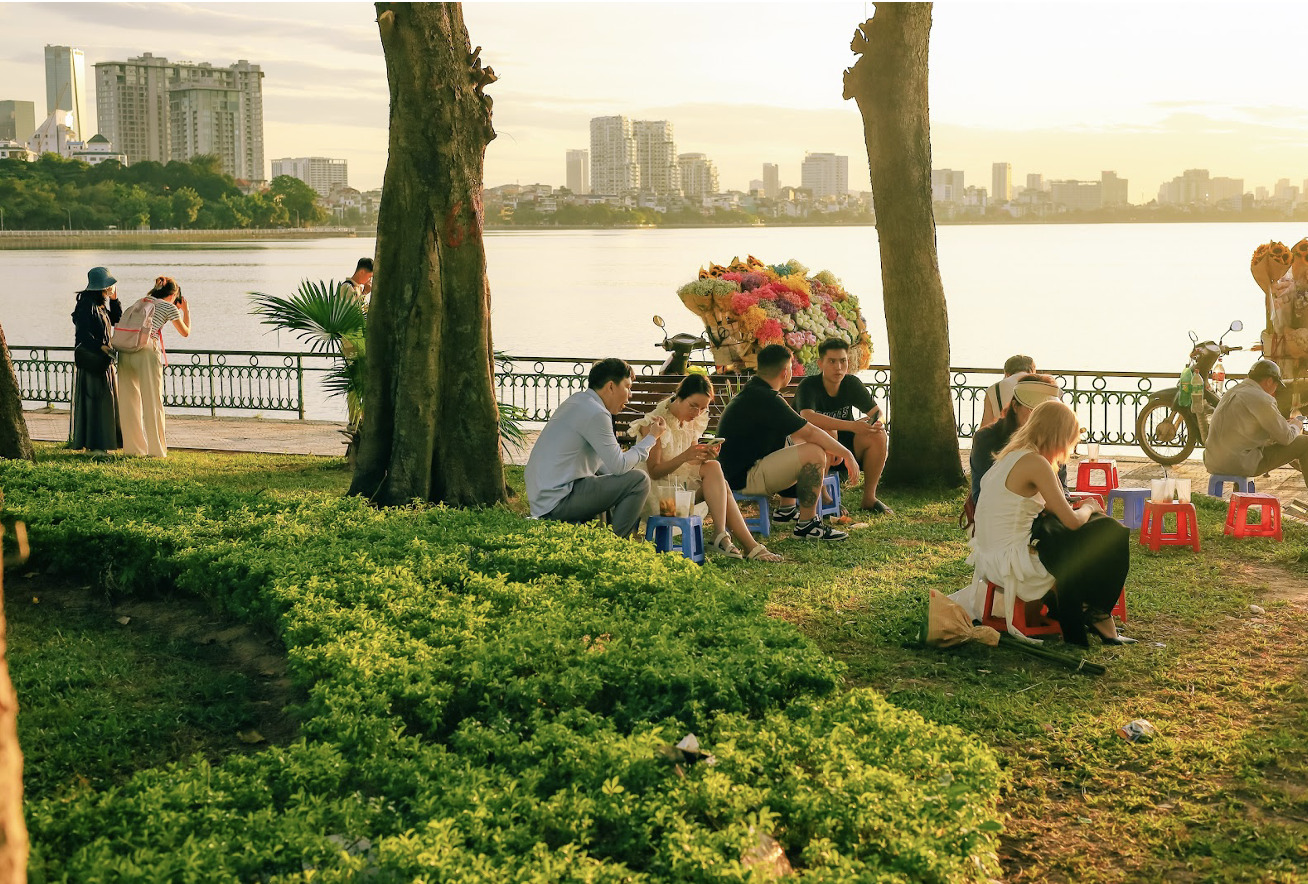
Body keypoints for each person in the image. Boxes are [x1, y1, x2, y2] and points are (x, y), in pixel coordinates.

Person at [952, 399, 1134, 647]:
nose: (1069, 450)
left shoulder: (1010, 457)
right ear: (1059, 437)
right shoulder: (1036, 463)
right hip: (1014, 563)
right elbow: (1071, 520)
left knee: (1083, 529)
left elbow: (1050, 508)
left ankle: (1086, 609)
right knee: (1110, 531)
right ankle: (1096, 613)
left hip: (991, 556)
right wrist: (1091, 506)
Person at [716, 344, 860, 541]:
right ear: (785, 372)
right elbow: (810, 432)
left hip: (740, 471)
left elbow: (802, 430)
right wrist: (847, 454)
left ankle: (787, 510)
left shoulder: (756, 391)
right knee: (814, 452)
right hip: (743, 478)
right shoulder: (766, 398)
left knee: (802, 439)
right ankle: (807, 525)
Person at [631, 374, 782, 561]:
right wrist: (686, 455)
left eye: (703, 408)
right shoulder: (655, 424)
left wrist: (702, 456)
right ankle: (741, 543)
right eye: (693, 405)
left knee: (712, 466)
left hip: (682, 492)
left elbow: (690, 465)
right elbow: (654, 471)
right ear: (679, 397)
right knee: (721, 484)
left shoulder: (693, 421)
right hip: (661, 500)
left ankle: (722, 535)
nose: (697, 412)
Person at [526, 358, 666, 536]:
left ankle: (603, 536)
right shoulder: (596, 413)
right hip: (557, 501)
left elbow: (608, 468)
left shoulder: (579, 402)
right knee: (639, 480)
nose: (630, 395)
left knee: (612, 479)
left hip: (545, 498)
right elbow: (619, 466)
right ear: (610, 387)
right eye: (627, 387)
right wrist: (651, 437)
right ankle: (615, 544)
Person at [794, 337, 891, 514]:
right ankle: (823, 496)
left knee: (879, 435)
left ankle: (869, 498)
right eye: (832, 361)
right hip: (810, 449)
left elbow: (877, 413)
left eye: (843, 361)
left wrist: (873, 424)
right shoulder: (809, 385)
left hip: (845, 449)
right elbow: (807, 417)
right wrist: (852, 426)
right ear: (820, 363)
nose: (838, 367)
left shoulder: (851, 383)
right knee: (828, 432)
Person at [117, 276, 191, 457]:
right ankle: (157, 451)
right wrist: (186, 311)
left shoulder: (141, 301)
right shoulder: (169, 307)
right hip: (147, 350)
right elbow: (185, 332)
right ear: (174, 294)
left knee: (129, 402)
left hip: (125, 350)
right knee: (152, 402)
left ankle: (133, 449)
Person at [1204, 358, 1308, 488]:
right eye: (1276, 385)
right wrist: (1296, 425)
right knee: (1305, 443)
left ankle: (1239, 495)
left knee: (1241, 449)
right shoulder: (1262, 398)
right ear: (1269, 381)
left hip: (1212, 461)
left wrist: (1282, 425)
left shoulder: (1232, 391)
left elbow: (1244, 431)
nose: (1275, 390)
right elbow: (1286, 438)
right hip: (1238, 463)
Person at [969, 374, 1062, 505]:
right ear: (1015, 406)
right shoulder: (986, 439)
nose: (1038, 417)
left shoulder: (1053, 439)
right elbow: (980, 496)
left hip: (1049, 515)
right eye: (1032, 409)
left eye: (1045, 411)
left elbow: (1063, 490)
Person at [69, 266, 122, 454]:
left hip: (102, 362)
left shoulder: (101, 305)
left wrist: (115, 301)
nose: (109, 290)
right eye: (108, 287)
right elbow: (83, 334)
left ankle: (101, 444)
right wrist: (102, 346)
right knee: (94, 402)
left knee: (104, 402)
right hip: (93, 361)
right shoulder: (85, 305)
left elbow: (117, 320)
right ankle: (94, 446)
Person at [979, 354, 1037, 428]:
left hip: (1006, 437)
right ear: (1033, 371)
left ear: (1007, 373)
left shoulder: (994, 389)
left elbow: (986, 425)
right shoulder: (1045, 386)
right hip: (1037, 436)